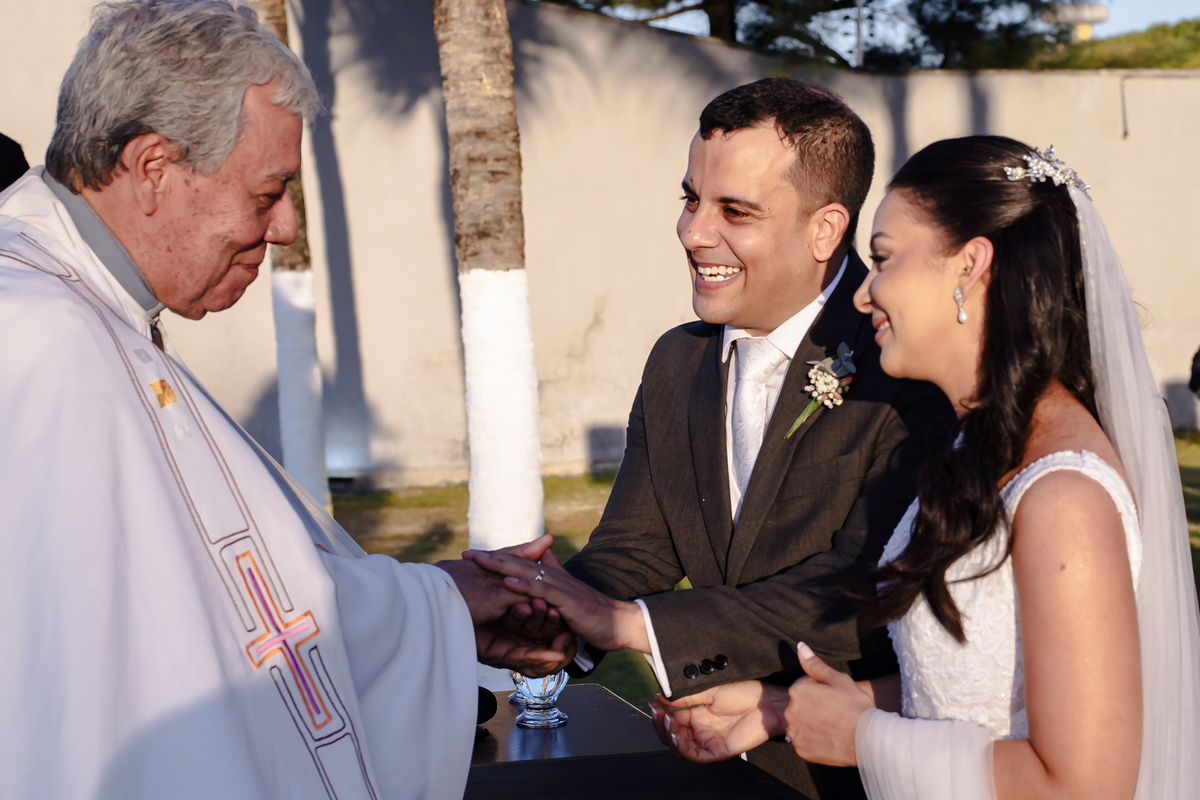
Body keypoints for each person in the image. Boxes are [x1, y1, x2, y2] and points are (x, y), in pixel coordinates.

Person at [0, 2, 570, 799]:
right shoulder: (38, 336)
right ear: (155, 167)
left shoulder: (84, 313)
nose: (284, 225)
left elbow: (225, 594)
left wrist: (441, 603)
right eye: (268, 191)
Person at [654, 137, 1200, 799]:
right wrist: (785, 709)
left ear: (969, 265)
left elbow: (1082, 785)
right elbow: (977, 695)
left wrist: (862, 739)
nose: (864, 295)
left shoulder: (1064, 496)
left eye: (882, 259)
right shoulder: (981, 449)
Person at [465, 78, 955, 797]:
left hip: (866, 771)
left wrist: (630, 625)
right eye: (691, 199)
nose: (694, 232)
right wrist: (549, 613)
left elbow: (860, 589)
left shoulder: (904, 365)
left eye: (735, 210)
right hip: (712, 766)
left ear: (825, 229)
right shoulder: (678, 360)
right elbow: (636, 547)